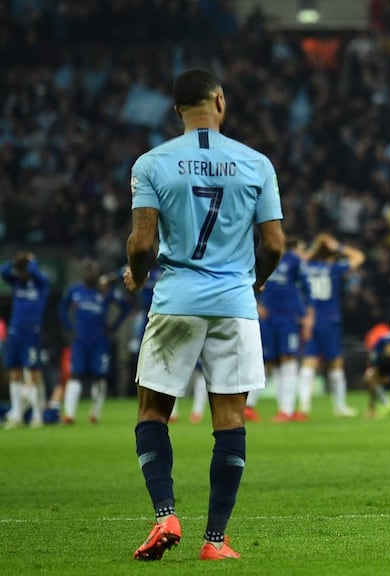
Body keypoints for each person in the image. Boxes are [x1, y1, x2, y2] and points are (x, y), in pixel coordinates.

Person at [123, 68, 284, 561]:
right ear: (220, 101)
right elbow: (275, 243)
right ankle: (215, 541)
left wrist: (137, 274)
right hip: (234, 304)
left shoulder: (152, 163)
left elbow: (143, 242)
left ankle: (165, 513)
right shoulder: (256, 163)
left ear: (176, 110)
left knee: (153, 411)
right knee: (230, 420)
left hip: (177, 299)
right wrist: (252, 282)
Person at [297, 232, 365, 418]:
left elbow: (300, 256)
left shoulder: (305, 266)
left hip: (310, 318)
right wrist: (340, 247)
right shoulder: (333, 268)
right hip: (330, 318)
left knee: (309, 362)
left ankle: (303, 408)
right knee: (335, 363)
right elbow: (359, 257)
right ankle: (340, 406)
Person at [58, 259, 131, 424]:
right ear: (83, 274)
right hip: (80, 341)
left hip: (99, 341)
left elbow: (125, 307)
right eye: (87, 271)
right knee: (75, 375)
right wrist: (69, 329)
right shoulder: (74, 290)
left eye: (93, 271)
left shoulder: (105, 291)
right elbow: (62, 308)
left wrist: (113, 327)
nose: (90, 274)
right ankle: (69, 414)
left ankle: (94, 414)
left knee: (99, 377)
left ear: (98, 274)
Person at [258, 239, 313, 422]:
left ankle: (287, 410)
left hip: (288, 317)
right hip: (268, 318)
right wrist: (256, 303)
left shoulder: (294, 260)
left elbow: (307, 288)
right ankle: (282, 409)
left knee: (288, 358)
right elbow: (251, 281)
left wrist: (307, 317)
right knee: (272, 362)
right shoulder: (262, 258)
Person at [1, 251, 50, 429]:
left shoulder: (41, 283)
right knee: (14, 373)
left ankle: (37, 416)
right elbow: (3, 270)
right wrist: (16, 261)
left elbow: (36, 273)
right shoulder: (16, 281)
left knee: (34, 373)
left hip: (31, 333)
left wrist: (31, 261)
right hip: (15, 332)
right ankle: (17, 414)